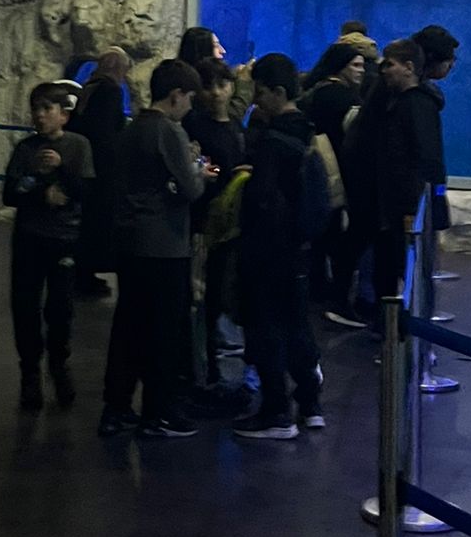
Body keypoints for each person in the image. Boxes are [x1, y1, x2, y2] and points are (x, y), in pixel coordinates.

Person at [98, 58, 212, 440]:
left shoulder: (133, 128)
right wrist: (199, 171)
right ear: (176, 95)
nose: (190, 106)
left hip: (130, 241)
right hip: (164, 244)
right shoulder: (169, 131)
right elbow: (190, 189)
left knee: (129, 326)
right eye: (189, 98)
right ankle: (159, 412)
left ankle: (117, 407)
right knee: (163, 331)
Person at [233, 54, 330, 443]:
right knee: (297, 324)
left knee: (265, 327)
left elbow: (262, 200)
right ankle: (310, 404)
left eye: (260, 93)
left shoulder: (273, 142)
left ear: (277, 92)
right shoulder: (307, 132)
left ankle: (276, 411)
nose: (256, 101)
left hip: (268, 250)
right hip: (299, 247)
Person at [3, 84, 91, 413]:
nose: (40, 116)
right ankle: (30, 371)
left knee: (60, 307)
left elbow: (86, 190)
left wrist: (61, 168)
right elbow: (10, 193)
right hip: (29, 237)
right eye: (36, 109)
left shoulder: (78, 146)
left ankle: (59, 364)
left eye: (47, 109)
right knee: (25, 305)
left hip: (63, 238)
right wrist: (40, 190)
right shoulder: (26, 149)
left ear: (63, 115)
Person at [184, 57, 247, 389]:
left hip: (228, 225)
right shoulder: (195, 125)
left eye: (222, 85)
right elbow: (200, 167)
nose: (216, 93)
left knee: (219, 293)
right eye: (208, 87)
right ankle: (202, 369)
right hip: (203, 223)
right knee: (201, 295)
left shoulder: (235, 126)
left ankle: (215, 366)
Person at [368, 39, 446, 301]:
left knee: (408, 272)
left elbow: (426, 159)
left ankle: (403, 323)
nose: (384, 70)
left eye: (390, 64)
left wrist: (416, 207)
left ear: (409, 67)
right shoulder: (402, 103)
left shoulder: (416, 105)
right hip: (398, 204)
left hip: (407, 206)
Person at [301, 39, 367, 306]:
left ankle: (317, 289)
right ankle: (334, 298)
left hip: (319, 168)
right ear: (341, 66)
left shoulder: (316, 90)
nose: (361, 71)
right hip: (338, 169)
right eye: (356, 65)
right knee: (337, 235)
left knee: (321, 236)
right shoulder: (343, 97)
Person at [68, 47, 130, 297]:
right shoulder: (110, 91)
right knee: (97, 223)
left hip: (86, 165)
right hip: (102, 170)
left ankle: (83, 273)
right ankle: (86, 275)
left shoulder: (89, 88)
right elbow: (107, 134)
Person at [412, 24, 460, 238]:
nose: (452, 64)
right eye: (450, 59)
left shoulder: (424, 95)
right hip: (420, 183)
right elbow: (428, 150)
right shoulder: (420, 99)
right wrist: (438, 187)